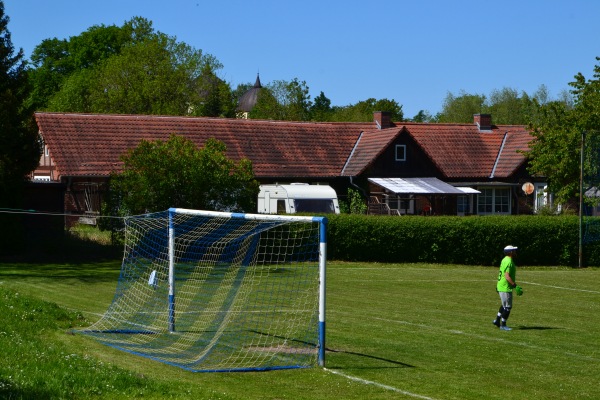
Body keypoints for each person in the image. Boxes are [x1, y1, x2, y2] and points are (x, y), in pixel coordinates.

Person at [493, 245, 520, 331]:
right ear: (510, 252)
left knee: (504, 305)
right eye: (514, 251)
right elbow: (507, 276)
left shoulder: (504, 259)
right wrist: (514, 285)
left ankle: (497, 320)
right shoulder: (509, 261)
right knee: (508, 307)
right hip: (505, 287)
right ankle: (503, 325)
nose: (515, 252)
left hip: (500, 285)